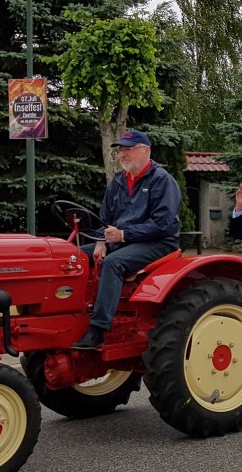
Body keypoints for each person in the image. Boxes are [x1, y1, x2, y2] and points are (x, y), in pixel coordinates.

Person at [73, 129, 182, 350]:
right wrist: (101, 242)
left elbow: (163, 224)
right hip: (121, 241)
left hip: (159, 242)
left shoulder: (162, 181)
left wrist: (123, 235)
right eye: (121, 150)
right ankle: (73, 316)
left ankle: (98, 329)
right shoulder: (119, 181)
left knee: (114, 263)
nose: (123, 154)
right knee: (72, 256)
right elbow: (104, 218)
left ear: (146, 151)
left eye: (128, 149)